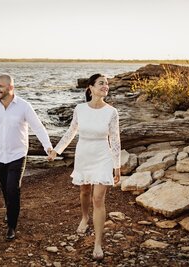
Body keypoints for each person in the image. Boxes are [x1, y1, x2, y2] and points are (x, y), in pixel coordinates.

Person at [48, 73, 121, 261]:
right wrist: (57, 150)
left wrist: (117, 166)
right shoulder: (80, 109)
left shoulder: (111, 112)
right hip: (84, 155)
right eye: (101, 83)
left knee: (98, 198)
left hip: (103, 155)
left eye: (107, 84)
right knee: (85, 191)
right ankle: (84, 217)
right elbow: (71, 132)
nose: (105, 86)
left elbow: (115, 140)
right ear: (90, 87)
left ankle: (98, 243)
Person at [0, 74, 53, 241]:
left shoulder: (24, 106)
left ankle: (11, 226)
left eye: (0, 86)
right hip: (0, 155)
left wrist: (48, 147)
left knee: (13, 189)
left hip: (18, 155)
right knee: (4, 189)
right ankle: (10, 211)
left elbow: (37, 127)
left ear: (10, 88)